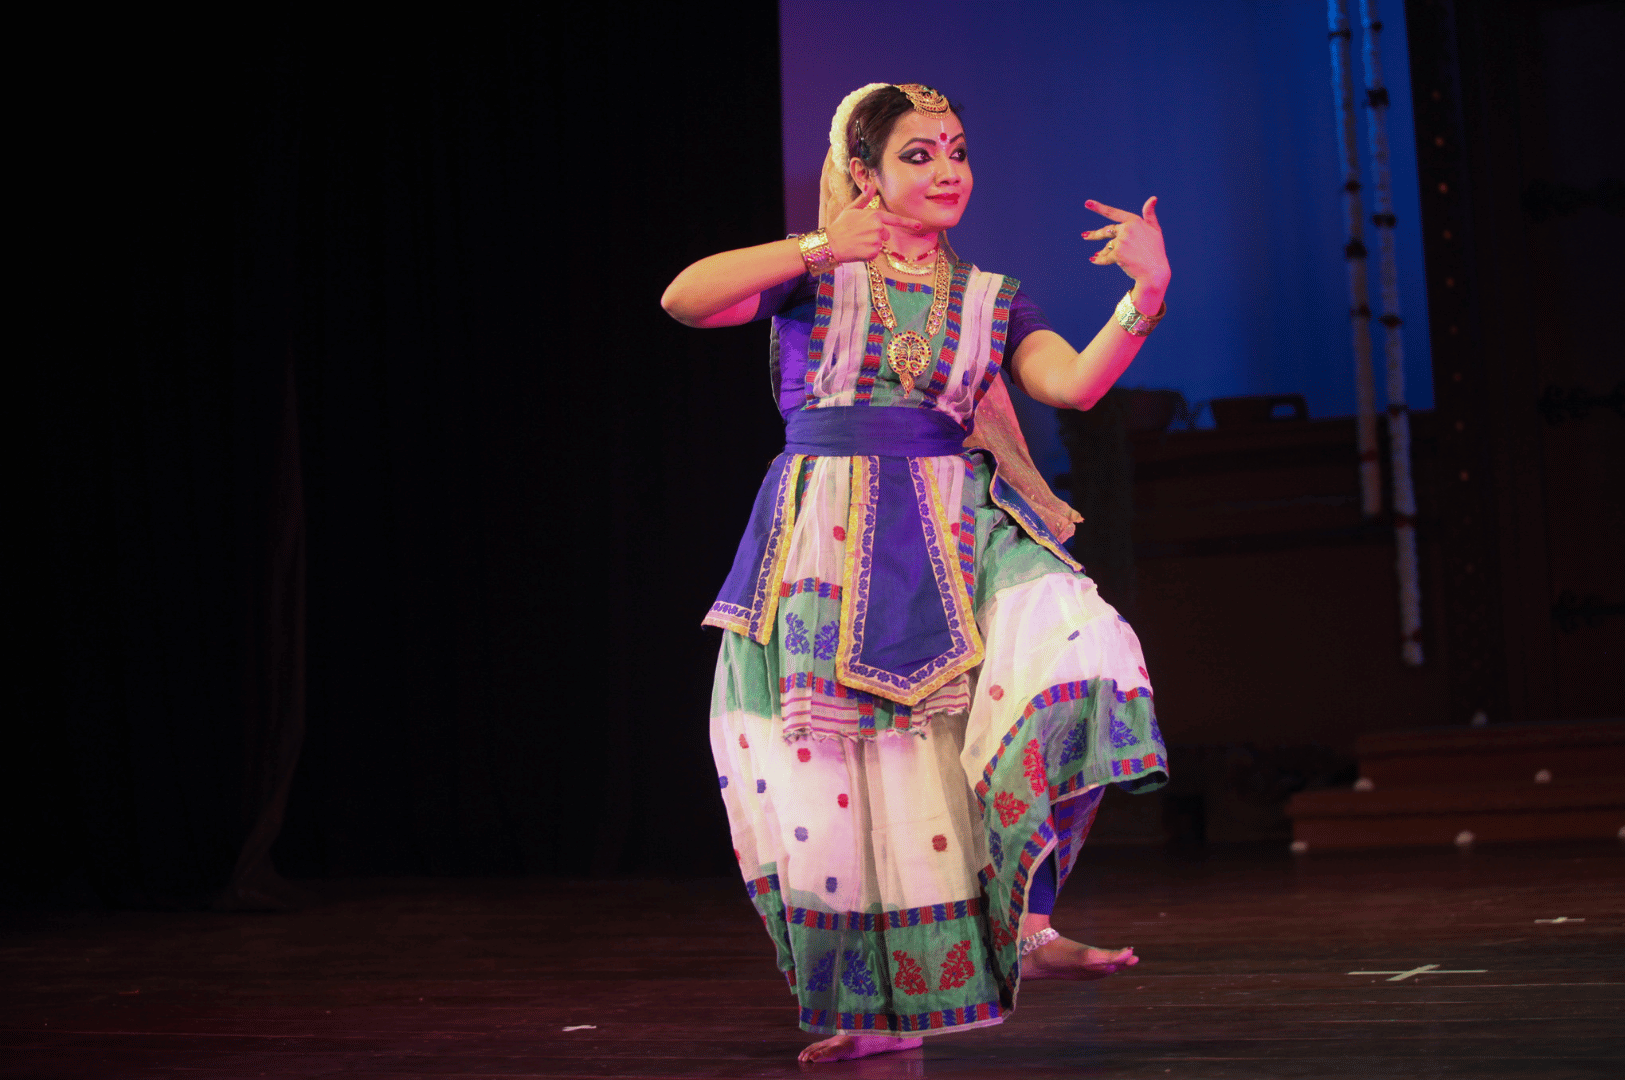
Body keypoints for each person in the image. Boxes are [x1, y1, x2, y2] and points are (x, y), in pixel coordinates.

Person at [661, 83, 1171, 1064]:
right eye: (918, 155)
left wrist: (1142, 295)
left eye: (956, 152)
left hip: (958, 525)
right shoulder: (807, 279)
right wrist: (819, 248)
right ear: (863, 173)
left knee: (1088, 655)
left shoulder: (990, 297)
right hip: (827, 536)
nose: (947, 172)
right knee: (857, 780)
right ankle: (871, 1013)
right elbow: (684, 300)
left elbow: (1068, 383)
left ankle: (1026, 919)